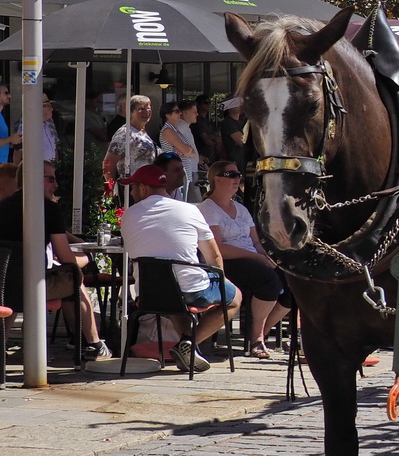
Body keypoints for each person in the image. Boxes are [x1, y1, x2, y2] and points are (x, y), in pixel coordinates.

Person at [117, 164, 239, 372]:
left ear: (143, 188)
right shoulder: (190, 210)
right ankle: (188, 343)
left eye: (134, 187)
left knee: (173, 295)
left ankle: (186, 345)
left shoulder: (128, 215)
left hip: (148, 293)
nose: (132, 192)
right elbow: (214, 256)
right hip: (190, 291)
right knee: (235, 298)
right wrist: (222, 280)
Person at [0, 161, 105, 358]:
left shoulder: (3, 207)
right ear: (32, 178)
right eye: (50, 179)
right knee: (75, 279)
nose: (55, 185)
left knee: (14, 283)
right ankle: (93, 344)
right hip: (35, 286)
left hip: (4, 287)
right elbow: (66, 258)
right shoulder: (47, 209)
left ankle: (2, 344)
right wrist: (88, 257)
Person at [199, 160, 293, 359]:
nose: (237, 179)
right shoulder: (208, 209)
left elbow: (256, 241)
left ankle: (261, 333)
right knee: (269, 280)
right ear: (217, 179)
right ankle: (256, 338)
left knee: (291, 281)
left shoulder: (240, 208)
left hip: (251, 258)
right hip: (226, 262)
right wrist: (256, 257)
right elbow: (218, 248)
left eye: (238, 175)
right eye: (231, 175)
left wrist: (268, 257)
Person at [103, 95, 158, 198]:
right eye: (141, 109)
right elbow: (108, 163)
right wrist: (110, 190)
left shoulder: (142, 132)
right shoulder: (125, 133)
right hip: (131, 190)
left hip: (146, 188)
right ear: (131, 112)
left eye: (148, 109)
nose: (146, 112)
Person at [156, 98, 200, 199]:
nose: (180, 113)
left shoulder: (175, 130)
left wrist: (187, 151)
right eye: (176, 112)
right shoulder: (167, 130)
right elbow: (187, 150)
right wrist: (187, 151)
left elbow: (192, 152)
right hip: (175, 174)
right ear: (168, 115)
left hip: (183, 173)